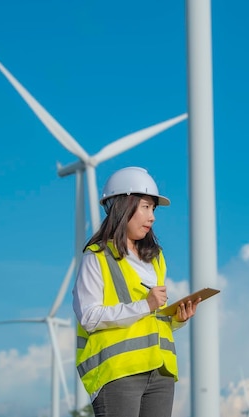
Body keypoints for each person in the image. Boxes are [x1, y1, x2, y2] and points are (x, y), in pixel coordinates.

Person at [72, 166, 200, 417]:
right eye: (145, 207)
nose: (152, 217)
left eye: (153, 209)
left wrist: (176, 318)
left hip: (160, 371)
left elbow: (151, 319)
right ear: (123, 206)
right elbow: (88, 316)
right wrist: (146, 305)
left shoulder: (155, 259)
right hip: (119, 372)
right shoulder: (97, 257)